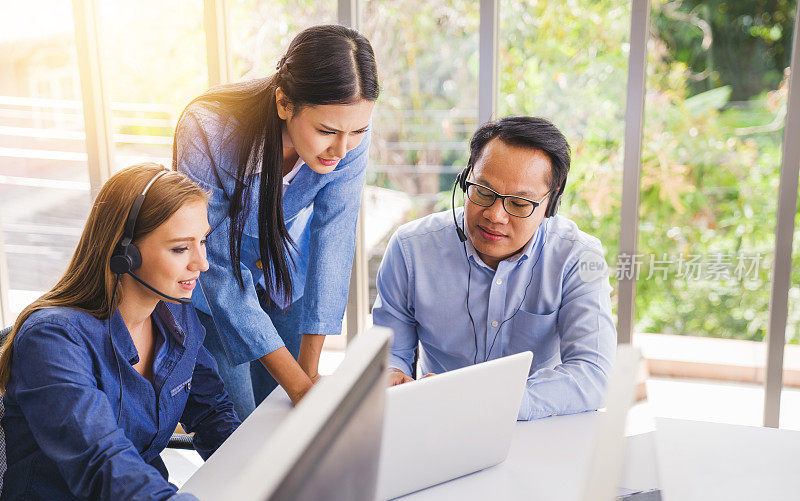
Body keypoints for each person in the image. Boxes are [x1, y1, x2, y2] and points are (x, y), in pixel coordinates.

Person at [0, 163, 240, 501]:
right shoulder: (53, 339)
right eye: (180, 248)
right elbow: (100, 459)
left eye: (202, 240)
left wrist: (263, 474)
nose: (202, 263)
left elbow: (211, 413)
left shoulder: (178, 318)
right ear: (125, 251)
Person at [173, 25, 379, 419]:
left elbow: (333, 240)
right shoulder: (208, 129)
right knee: (237, 426)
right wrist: (300, 387)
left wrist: (310, 374)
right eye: (326, 131)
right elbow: (213, 257)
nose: (342, 148)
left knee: (289, 421)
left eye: (358, 131)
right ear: (285, 104)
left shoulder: (349, 137)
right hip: (216, 293)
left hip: (287, 278)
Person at [372, 116, 616, 420]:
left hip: (530, 425)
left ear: (550, 205)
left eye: (518, 203)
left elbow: (592, 375)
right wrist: (392, 373)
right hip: (436, 420)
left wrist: (488, 402)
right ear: (464, 180)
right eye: (483, 192)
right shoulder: (411, 249)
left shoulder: (578, 257)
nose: (496, 216)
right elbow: (392, 349)